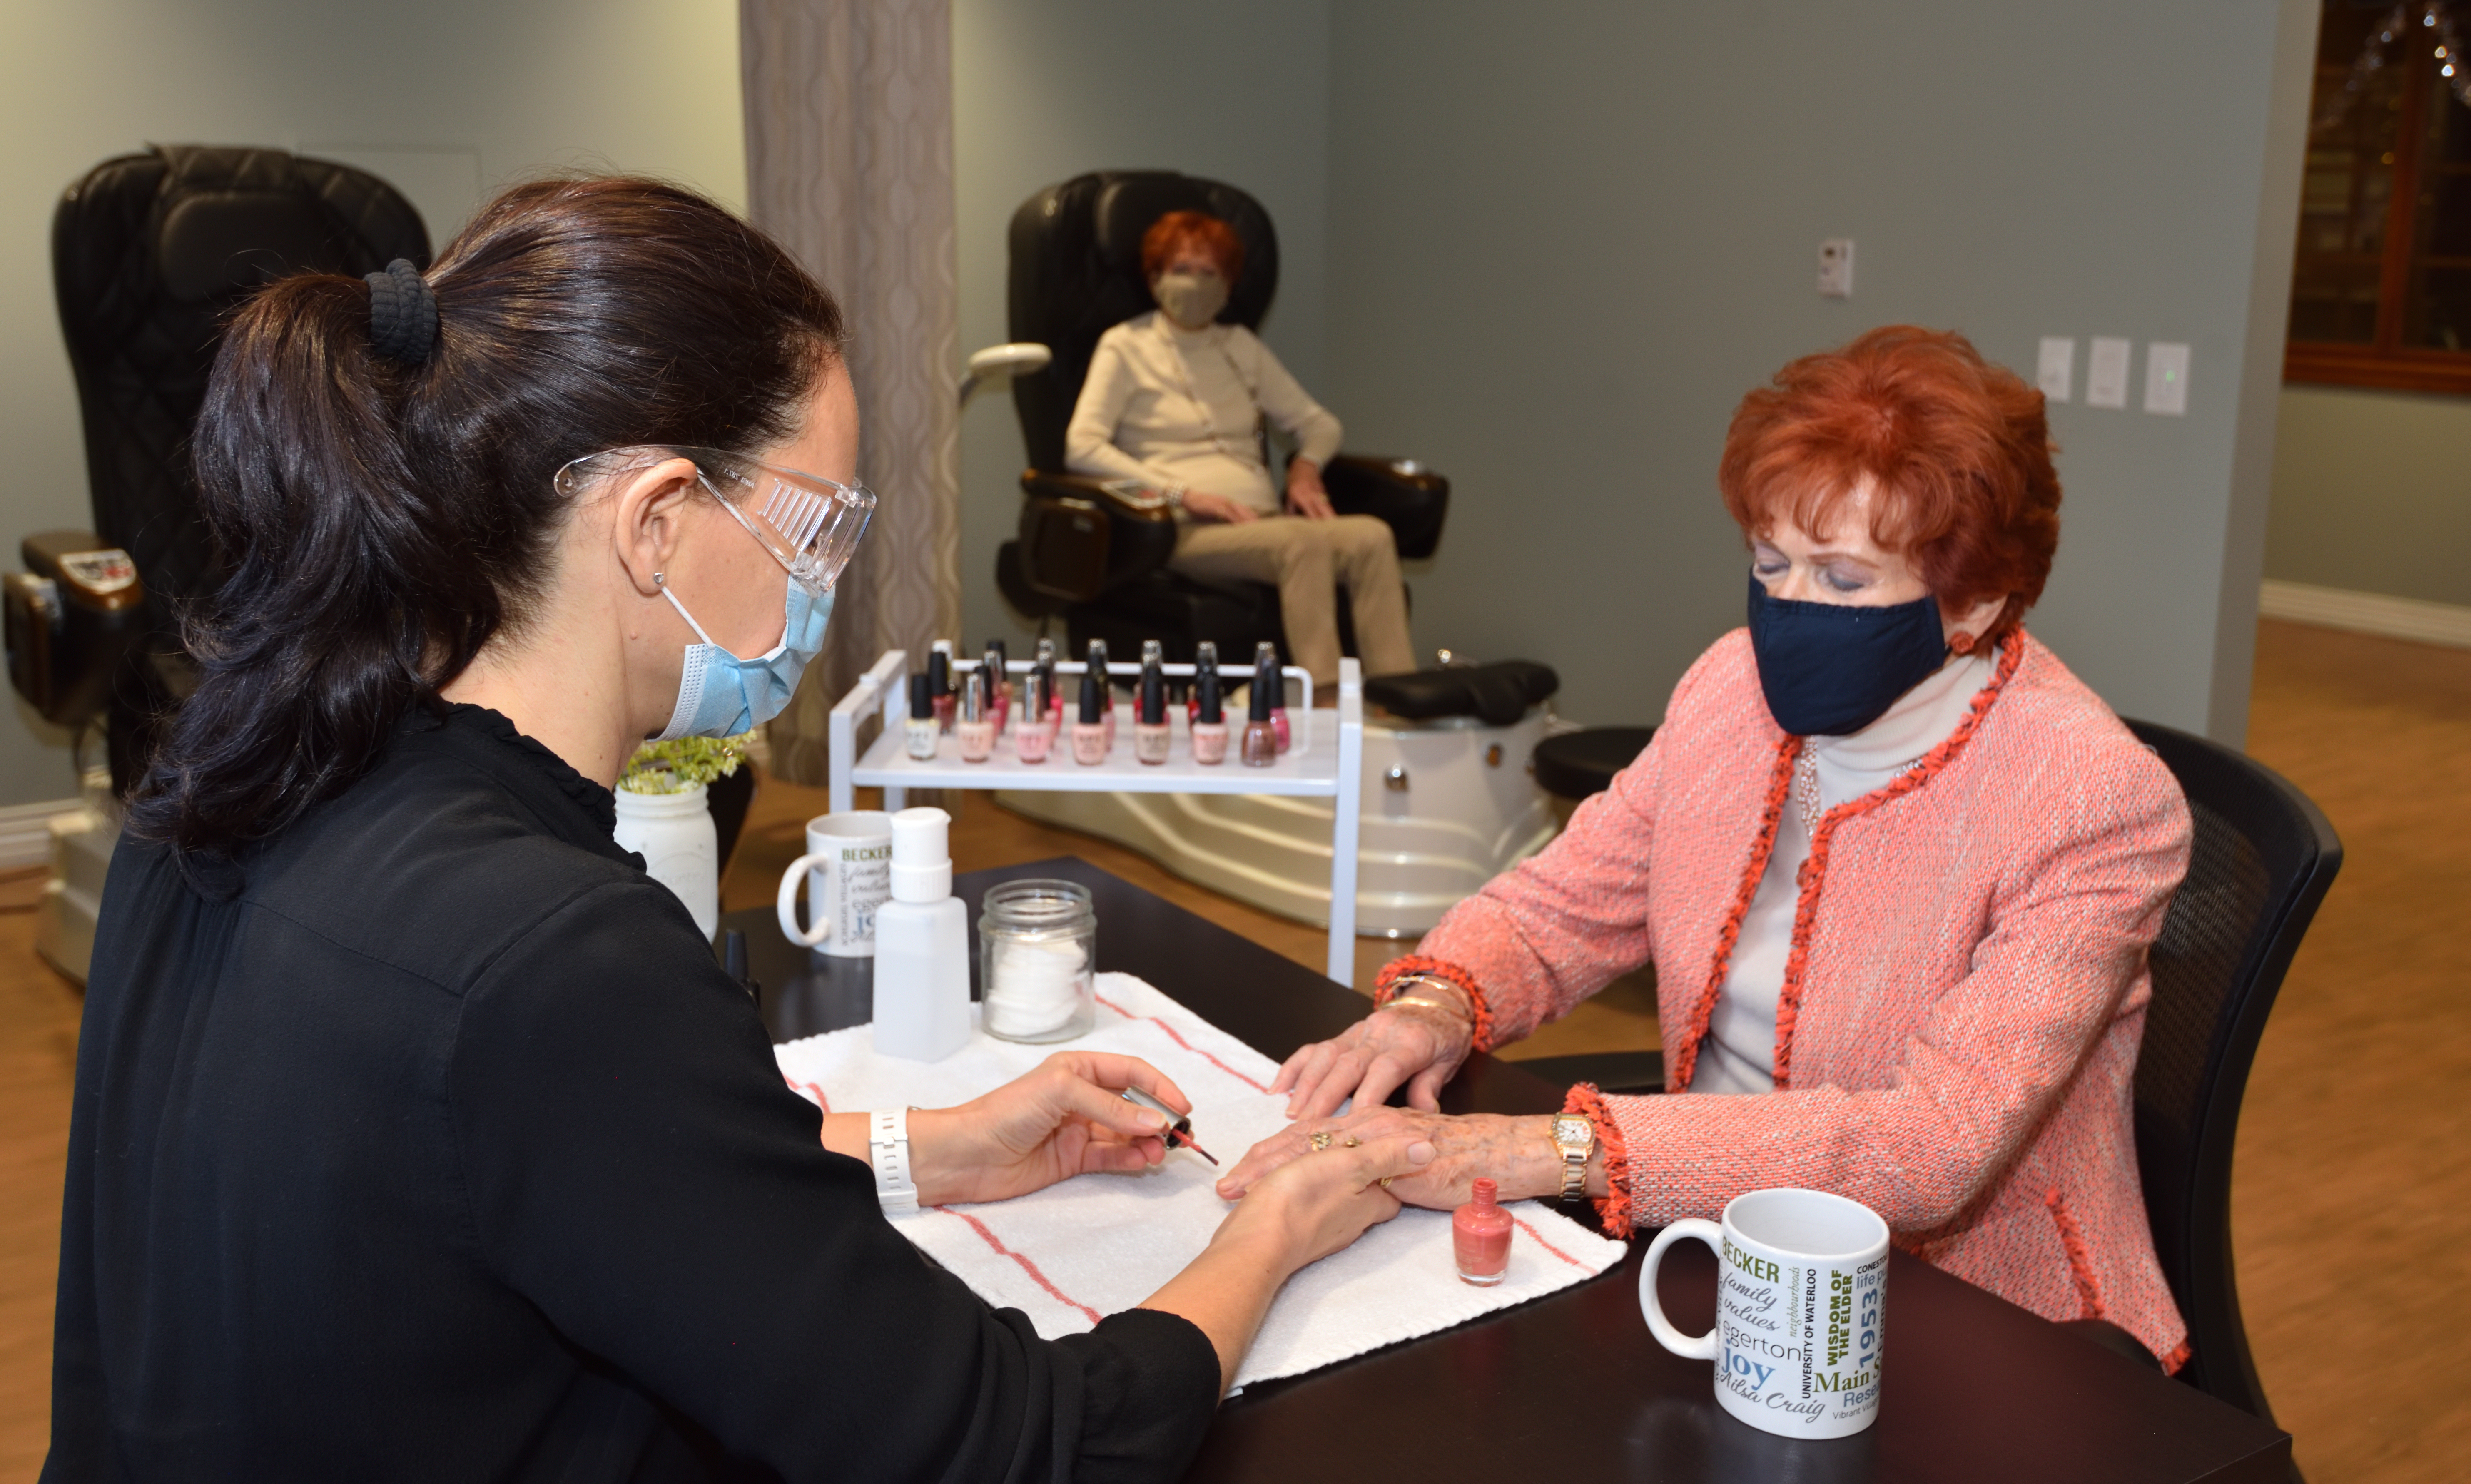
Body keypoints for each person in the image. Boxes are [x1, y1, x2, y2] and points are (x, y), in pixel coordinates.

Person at [45, 178, 1434, 1482]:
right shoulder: (557, 955)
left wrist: (924, 1147)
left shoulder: (225, 784)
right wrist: (1270, 1235)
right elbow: (1014, 1444)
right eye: (819, 526)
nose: (828, 579)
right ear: (655, 522)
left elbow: (513, 1180)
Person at [1223, 326, 2197, 1368]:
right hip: (1699, 1226)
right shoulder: (1729, 688)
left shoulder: (2092, 798)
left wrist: (1542, 1148)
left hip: (1960, 1308)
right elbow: (1561, 904)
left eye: (1843, 579)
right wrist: (1435, 1005)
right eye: (1769, 563)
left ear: (1977, 603)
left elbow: (1929, 1148)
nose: (1788, 610)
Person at [1064, 209, 1417, 677]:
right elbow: (1082, 447)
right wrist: (1183, 494)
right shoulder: (1125, 346)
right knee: (1301, 545)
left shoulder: (1240, 346)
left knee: (1372, 536)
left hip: (1263, 524)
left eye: (1208, 272)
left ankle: (1396, 697)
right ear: (1154, 280)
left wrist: (1305, 468)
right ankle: (1327, 697)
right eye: (1181, 270)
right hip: (1182, 529)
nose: (1194, 283)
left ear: (1229, 285)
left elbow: (1320, 423)